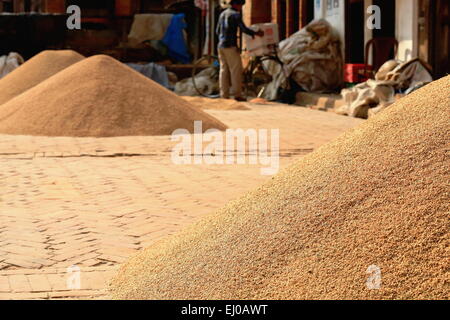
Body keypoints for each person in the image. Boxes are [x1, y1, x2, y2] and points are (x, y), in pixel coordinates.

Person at [216, 0, 264, 101]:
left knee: (223, 70)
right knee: (235, 70)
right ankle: (237, 94)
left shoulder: (222, 14)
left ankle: (224, 95)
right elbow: (243, 29)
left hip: (221, 45)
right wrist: (255, 33)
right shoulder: (235, 15)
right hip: (230, 45)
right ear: (237, 5)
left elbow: (217, 31)